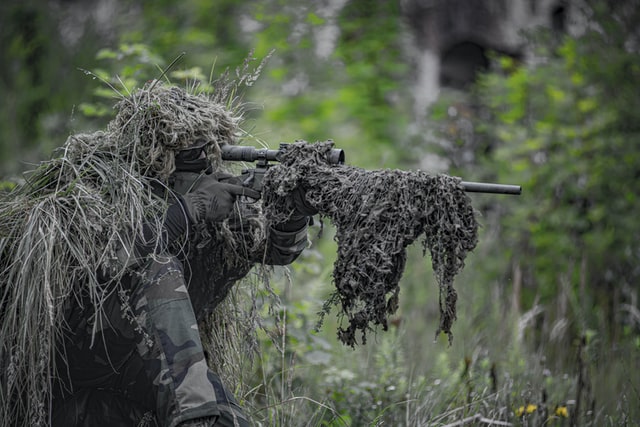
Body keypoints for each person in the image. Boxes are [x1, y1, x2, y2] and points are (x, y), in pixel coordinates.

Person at [0, 83, 316, 427]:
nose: (205, 171)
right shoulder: (94, 188)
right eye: (191, 159)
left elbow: (272, 249)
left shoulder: (209, 208)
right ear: (156, 159)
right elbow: (101, 266)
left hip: (125, 389)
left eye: (210, 156)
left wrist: (292, 211)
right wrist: (186, 211)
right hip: (60, 387)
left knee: (217, 410)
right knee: (158, 268)